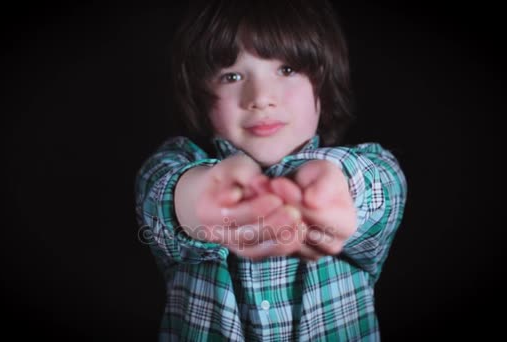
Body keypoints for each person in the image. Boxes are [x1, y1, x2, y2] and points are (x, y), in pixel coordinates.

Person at [135, 0, 407, 340]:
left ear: (323, 85)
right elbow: (163, 195)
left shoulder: (368, 167)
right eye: (232, 76)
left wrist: (331, 186)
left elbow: (377, 185)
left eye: (287, 70)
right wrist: (210, 200)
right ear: (202, 99)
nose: (261, 97)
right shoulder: (173, 164)